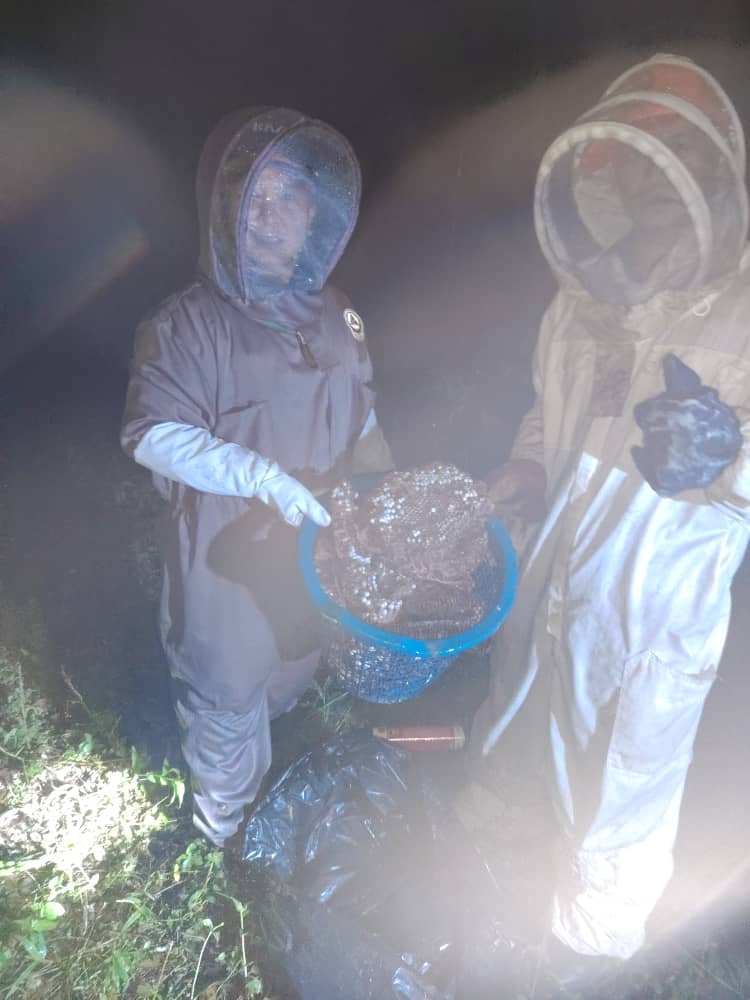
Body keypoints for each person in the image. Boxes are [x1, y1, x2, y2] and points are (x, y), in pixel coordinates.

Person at [473, 53, 750, 987]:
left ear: (715, 172)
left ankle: (583, 965)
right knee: (526, 740)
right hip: (549, 583)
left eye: (679, 155)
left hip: (650, 620)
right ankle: (508, 892)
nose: (658, 178)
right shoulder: (581, 295)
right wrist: (526, 463)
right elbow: (545, 410)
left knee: (618, 811)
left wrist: (729, 459)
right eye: (641, 158)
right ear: (611, 176)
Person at [121, 107, 393, 847]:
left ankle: (261, 794)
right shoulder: (185, 323)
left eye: (290, 197)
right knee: (226, 698)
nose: (272, 217)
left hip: (310, 563)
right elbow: (152, 435)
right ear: (225, 213)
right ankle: (224, 841)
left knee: (289, 674)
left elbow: (363, 416)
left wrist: (385, 489)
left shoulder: (337, 314)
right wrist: (260, 476)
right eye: (255, 198)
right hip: (223, 572)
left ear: (316, 215)